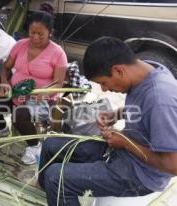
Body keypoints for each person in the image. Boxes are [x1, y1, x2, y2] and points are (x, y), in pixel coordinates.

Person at [38, 36, 177, 206]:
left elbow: (173, 166)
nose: (104, 89)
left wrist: (126, 143)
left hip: (141, 174)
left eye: (103, 82)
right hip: (123, 151)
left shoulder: (161, 98)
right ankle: (53, 197)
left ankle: (58, 191)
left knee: (55, 177)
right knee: (50, 144)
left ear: (119, 70)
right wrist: (115, 115)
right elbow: (145, 109)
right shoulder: (147, 70)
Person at [0, 11, 68, 165]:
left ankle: (35, 145)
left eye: (40, 34)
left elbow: (59, 83)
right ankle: (1, 128)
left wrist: (45, 93)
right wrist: (4, 81)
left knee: (19, 115)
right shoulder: (20, 45)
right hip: (16, 92)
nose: (35, 37)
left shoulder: (58, 53)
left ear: (50, 33)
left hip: (42, 100)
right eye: (32, 32)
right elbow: (5, 67)